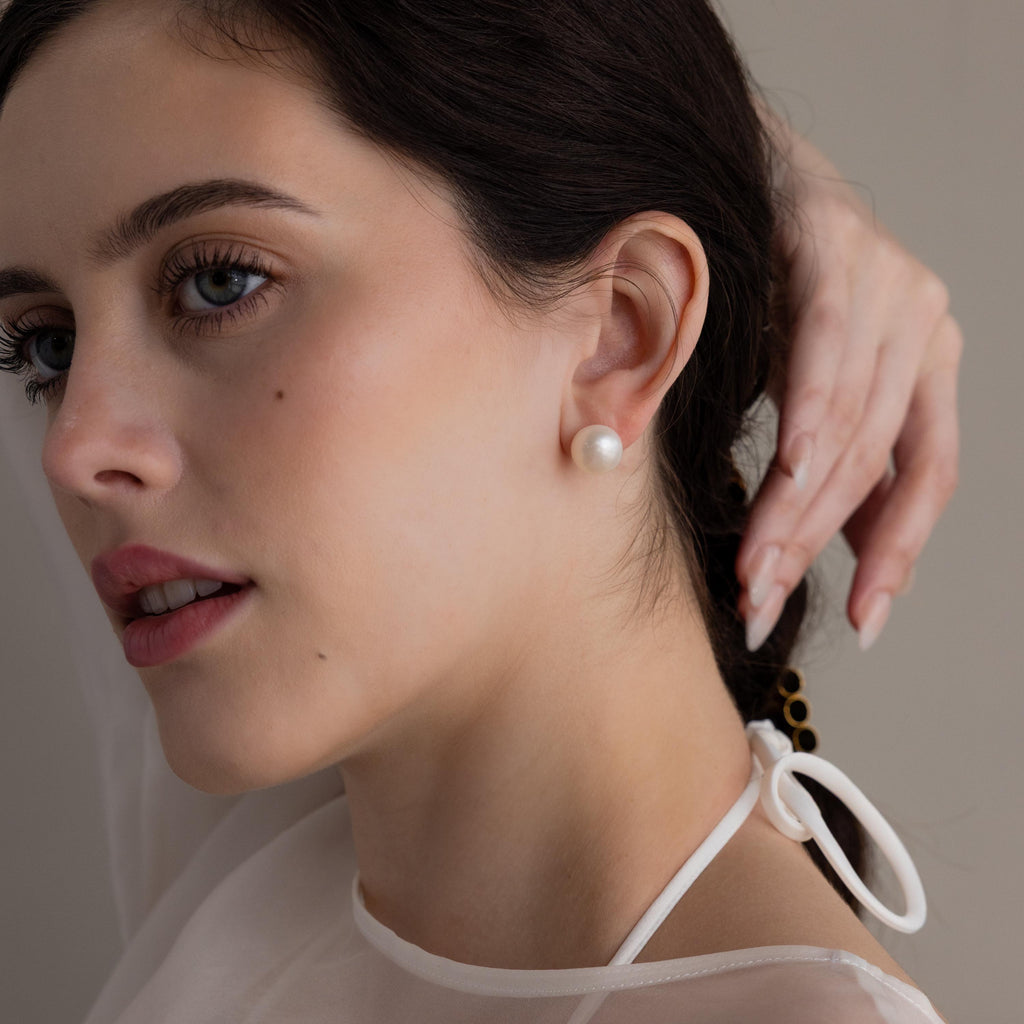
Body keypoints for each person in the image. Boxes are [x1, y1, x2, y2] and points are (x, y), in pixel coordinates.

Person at [0, 1, 961, 1021]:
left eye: (218, 280)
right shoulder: (262, 844)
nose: (74, 448)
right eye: (47, 346)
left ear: (621, 330)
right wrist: (749, 163)